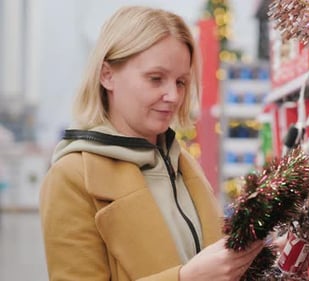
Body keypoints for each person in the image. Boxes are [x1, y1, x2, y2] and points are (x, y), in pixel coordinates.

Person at [39, 5, 264, 281]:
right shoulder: (72, 177)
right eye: (155, 79)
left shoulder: (181, 163)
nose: (173, 95)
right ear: (107, 75)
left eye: (181, 82)